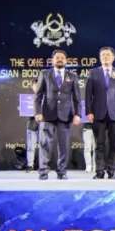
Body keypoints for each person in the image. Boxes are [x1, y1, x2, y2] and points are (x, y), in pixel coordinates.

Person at [33, 50, 81, 180]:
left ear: (66, 60)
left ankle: (62, 171)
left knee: (64, 146)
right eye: (57, 57)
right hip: (47, 115)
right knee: (45, 144)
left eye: (62, 57)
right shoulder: (45, 74)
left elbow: (77, 98)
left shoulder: (72, 76)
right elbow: (38, 96)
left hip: (65, 116)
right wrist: (38, 112)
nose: (59, 59)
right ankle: (43, 172)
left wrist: (78, 114)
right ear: (52, 60)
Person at [85, 46, 115, 179]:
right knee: (100, 144)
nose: (105, 57)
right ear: (100, 57)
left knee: (114, 144)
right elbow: (88, 94)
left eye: (108, 55)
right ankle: (99, 171)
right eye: (103, 55)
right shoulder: (93, 72)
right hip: (98, 113)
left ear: (113, 57)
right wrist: (89, 112)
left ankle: (112, 171)